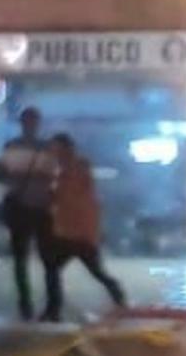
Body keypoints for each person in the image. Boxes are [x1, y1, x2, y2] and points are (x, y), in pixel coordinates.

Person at [43, 133, 127, 321]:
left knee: (95, 272)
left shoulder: (76, 169)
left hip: (79, 234)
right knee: (54, 269)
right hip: (68, 233)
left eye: (56, 149)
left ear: (66, 149)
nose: (54, 154)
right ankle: (53, 310)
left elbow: (74, 199)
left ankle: (120, 302)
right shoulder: (65, 170)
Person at [0, 106, 58, 320]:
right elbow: (56, 178)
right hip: (43, 209)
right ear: (38, 123)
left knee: (20, 259)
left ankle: (25, 306)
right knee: (49, 260)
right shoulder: (48, 149)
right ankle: (52, 307)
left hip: (19, 208)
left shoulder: (11, 147)